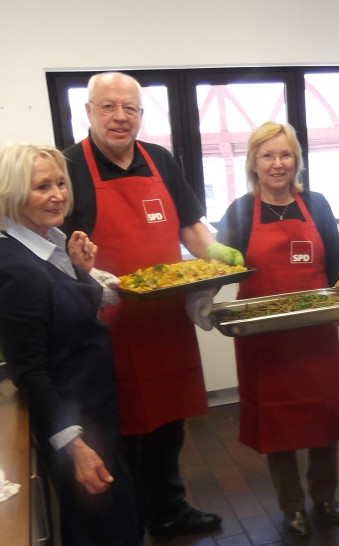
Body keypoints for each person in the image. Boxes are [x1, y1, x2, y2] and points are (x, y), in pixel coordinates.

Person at [62, 71, 243, 536]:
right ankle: (132, 518)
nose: (119, 117)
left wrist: (218, 254)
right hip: (107, 328)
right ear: (87, 112)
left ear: (141, 115)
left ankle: (169, 509)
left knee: (169, 425)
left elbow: (190, 228)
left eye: (130, 108)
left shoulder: (159, 159)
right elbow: (54, 251)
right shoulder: (69, 169)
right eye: (107, 106)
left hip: (166, 322)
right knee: (121, 431)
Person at [0, 142, 138, 545]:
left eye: (61, 182)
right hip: (75, 427)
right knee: (100, 530)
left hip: (96, 412)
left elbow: (70, 315)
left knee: (118, 517)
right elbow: (31, 370)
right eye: (42, 186)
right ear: (12, 194)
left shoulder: (52, 245)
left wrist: (82, 273)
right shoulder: (13, 267)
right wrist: (75, 447)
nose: (58, 194)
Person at [216, 122, 339, 537]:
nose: (277, 164)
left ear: (297, 160)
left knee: (323, 418)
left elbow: (338, 265)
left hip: (314, 335)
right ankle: (292, 506)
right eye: (267, 155)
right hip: (264, 340)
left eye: (285, 155)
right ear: (253, 162)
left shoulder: (317, 205)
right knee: (277, 425)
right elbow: (216, 269)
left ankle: (324, 496)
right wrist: (201, 305)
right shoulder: (238, 211)